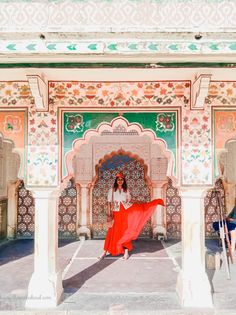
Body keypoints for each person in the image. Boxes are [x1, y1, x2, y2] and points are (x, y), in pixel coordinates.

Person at [98, 172, 164, 260]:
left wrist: (139, 203)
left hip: (125, 212)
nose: (120, 181)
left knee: (126, 231)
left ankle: (126, 253)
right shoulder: (112, 190)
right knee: (112, 232)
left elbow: (129, 201)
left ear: (123, 181)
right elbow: (109, 203)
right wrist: (109, 214)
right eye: (118, 180)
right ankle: (105, 252)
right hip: (116, 213)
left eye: (122, 179)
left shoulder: (126, 190)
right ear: (116, 181)